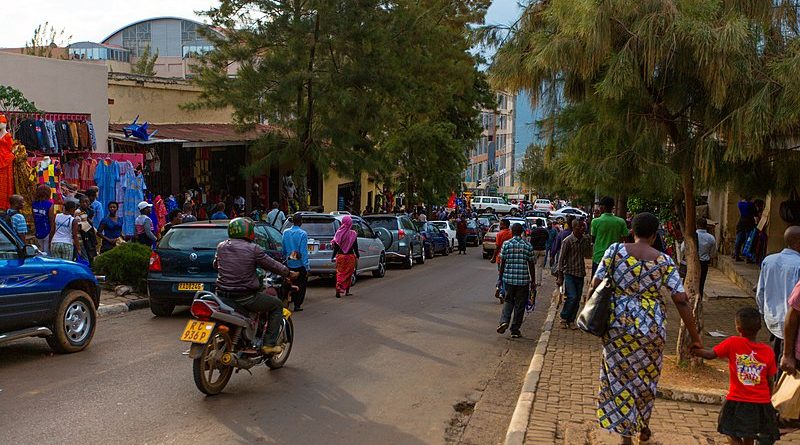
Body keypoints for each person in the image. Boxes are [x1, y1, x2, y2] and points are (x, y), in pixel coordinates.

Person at [592, 212, 702, 444]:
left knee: (618, 379)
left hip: (617, 327)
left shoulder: (614, 251)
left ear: (632, 231)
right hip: (650, 329)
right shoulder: (664, 261)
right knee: (646, 378)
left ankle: (624, 434)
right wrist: (694, 336)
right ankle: (643, 426)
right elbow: (680, 299)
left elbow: (595, 283)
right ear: (654, 235)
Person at [692, 307, 780, 445]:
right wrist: (767, 399)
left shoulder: (733, 343)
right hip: (761, 402)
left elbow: (710, 355)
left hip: (737, 399)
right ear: (759, 328)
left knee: (728, 429)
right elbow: (770, 380)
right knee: (749, 434)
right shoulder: (768, 351)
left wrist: (695, 349)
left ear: (738, 327)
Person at [214, 218, 299, 355]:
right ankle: (268, 345)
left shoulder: (221, 246)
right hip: (245, 297)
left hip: (222, 295)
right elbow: (272, 265)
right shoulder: (253, 249)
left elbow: (215, 264)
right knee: (276, 305)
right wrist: (289, 273)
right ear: (249, 232)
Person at [756, 226, 800, 369]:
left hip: (772, 319)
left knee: (777, 362)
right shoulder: (798, 265)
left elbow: (760, 291)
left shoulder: (769, 260)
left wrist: (763, 313)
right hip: (793, 323)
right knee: (787, 365)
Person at [497, 223, 536, 339]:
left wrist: (500, 277)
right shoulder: (527, 245)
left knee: (508, 300)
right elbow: (531, 264)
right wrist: (533, 281)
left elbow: (502, 262)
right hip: (523, 281)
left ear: (512, 232)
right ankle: (515, 329)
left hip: (508, 279)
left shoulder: (506, 244)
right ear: (522, 232)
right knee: (520, 305)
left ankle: (504, 321)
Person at [556, 219, 591, 329]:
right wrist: (560, 277)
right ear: (574, 228)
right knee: (572, 296)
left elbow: (588, 254)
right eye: (579, 227)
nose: (582, 228)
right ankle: (564, 317)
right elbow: (561, 260)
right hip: (569, 273)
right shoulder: (568, 241)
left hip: (580, 273)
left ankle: (571, 320)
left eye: (583, 227)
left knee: (577, 298)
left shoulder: (584, 240)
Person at [590, 196, 629, 276]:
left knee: (596, 284)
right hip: (615, 258)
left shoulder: (595, 222)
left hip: (599, 257)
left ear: (602, 207)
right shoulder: (620, 221)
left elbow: (593, 239)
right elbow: (626, 239)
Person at [282, 213, 309, 311]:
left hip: (289, 263)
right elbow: (303, 252)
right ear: (301, 222)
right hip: (299, 264)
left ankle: (289, 301)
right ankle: (297, 305)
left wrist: (285, 259)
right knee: (301, 285)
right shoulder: (303, 234)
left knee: (289, 284)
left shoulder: (286, 232)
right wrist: (306, 266)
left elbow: (284, 249)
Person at [331, 215, 360, 298]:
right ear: (350, 223)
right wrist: (357, 255)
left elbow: (336, 246)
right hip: (350, 256)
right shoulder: (353, 234)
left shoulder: (338, 233)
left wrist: (333, 256)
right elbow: (355, 246)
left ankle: (338, 286)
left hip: (340, 256)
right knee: (349, 273)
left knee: (340, 273)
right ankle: (347, 291)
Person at [695, 218, 717, 296]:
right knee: (701, 284)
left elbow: (682, 249)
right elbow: (713, 254)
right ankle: (699, 299)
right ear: (706, 226)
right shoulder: (711, 238)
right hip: (703, 264)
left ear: (697, 225)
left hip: (693, 262)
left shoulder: (692, 235)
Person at [75, 194, 97, 265]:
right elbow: (80, 225)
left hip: (89, 235)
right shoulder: (78, 212)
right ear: (80, 203)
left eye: (86, 202)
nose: (85, 203)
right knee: (85, 254)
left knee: (91, 252)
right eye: (83, 202)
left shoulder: (90, 210)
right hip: (82, 236)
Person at [32, 185, 54, 254]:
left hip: (38, 230)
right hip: (47, 230)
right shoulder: (50, 204)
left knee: (39, 252)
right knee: (46, 253)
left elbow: (34, 218)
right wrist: (52, 233)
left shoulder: (33, 204)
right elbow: (51, 220)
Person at [734, 196, 757, 262]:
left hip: (741, 222)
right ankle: (747, 257)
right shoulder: (751, 204)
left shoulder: (740, 204)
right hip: (749, 223)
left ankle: (736, 255)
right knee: (749, 240)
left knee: (739, 240)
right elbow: (755, 214)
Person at [529, 219, 549, 285]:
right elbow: (547, 239)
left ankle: (532, 280)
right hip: (542, 249)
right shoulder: (545, 231)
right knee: (540, 267)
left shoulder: (534, 231)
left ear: (536, 224)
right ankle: (539, 282)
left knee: (532, 265)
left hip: (535, 250)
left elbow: (531, 241)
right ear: (542, 223)